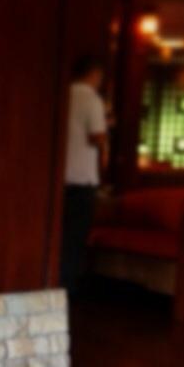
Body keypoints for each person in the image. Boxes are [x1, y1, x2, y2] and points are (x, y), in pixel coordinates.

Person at [60, 54, 109, 293]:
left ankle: (55, 286)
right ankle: (67, 289)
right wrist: (108, 129)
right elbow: (96, 136)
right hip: (82, 178)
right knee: (75, 239)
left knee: (60, 237)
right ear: (95, 74)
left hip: (61, 177)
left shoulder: (63, 95)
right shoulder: (91, 99)